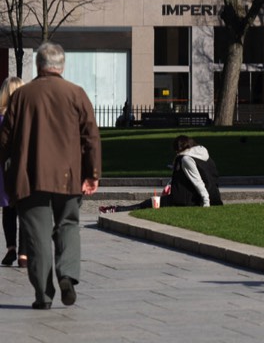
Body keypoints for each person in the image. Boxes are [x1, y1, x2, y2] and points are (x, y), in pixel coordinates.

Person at [0, 42, 101, 309]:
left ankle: (43, 295)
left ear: (39, 66)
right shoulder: (76, 93)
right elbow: (91, 136)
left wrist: (8, 174)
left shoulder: (22, 96)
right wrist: (92, 173)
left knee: (37, 236)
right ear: (62, 66)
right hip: (69, 176)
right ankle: (67, 274)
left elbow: (5, 140)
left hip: (31, 178)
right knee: (68, 226)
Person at [99, 135, 223, 212]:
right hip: (211, 194)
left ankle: (117, 209)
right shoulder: (203, 153)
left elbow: (197, 181)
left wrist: (206, 202)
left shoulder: (186, 159)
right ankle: (117, 209)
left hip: (189, 199)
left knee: (150, 203)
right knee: (151, 203)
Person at [0, 75, 25, 267]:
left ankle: (11, 247)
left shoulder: (1, 118)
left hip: (4, 170)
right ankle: (24, 252)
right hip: (24, 170)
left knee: (8, 210)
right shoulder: (26, 118)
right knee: (25, 212)